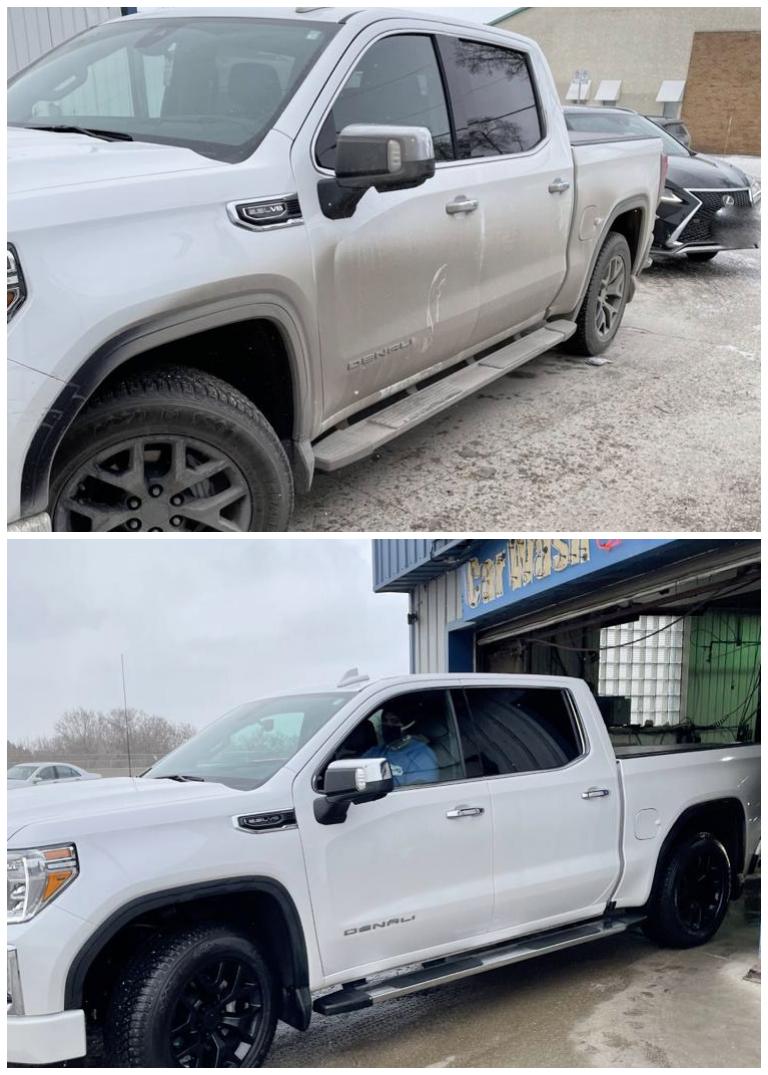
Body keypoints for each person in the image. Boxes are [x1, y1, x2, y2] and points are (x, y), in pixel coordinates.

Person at [363, 705, 438, 787]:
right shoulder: (376, 751)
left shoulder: (421, 755)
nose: (388, 725)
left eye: (394, 721)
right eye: (385, 720)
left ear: (407, 725)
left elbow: (416, 792)